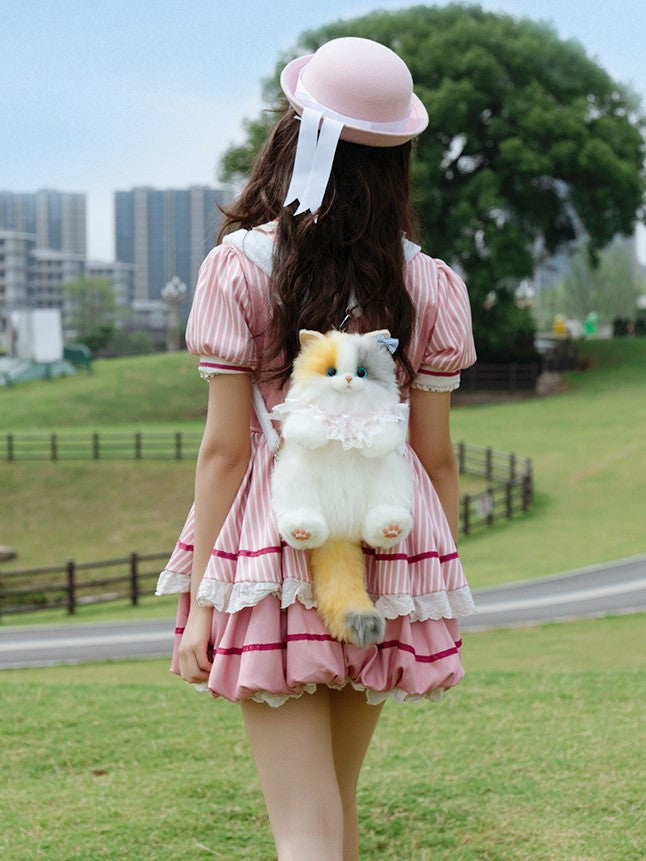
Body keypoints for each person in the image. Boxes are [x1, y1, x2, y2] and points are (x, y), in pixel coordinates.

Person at [156, 36, 477, 861]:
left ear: (295, 135)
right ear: (398, 158)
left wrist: (202, 602)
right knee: (335, 805)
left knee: (305, 825)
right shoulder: (428, 282)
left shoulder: (239, 267)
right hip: (386, 548)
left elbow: (226, 453)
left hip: (274, 548)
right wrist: (429, 587)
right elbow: (435, 458)